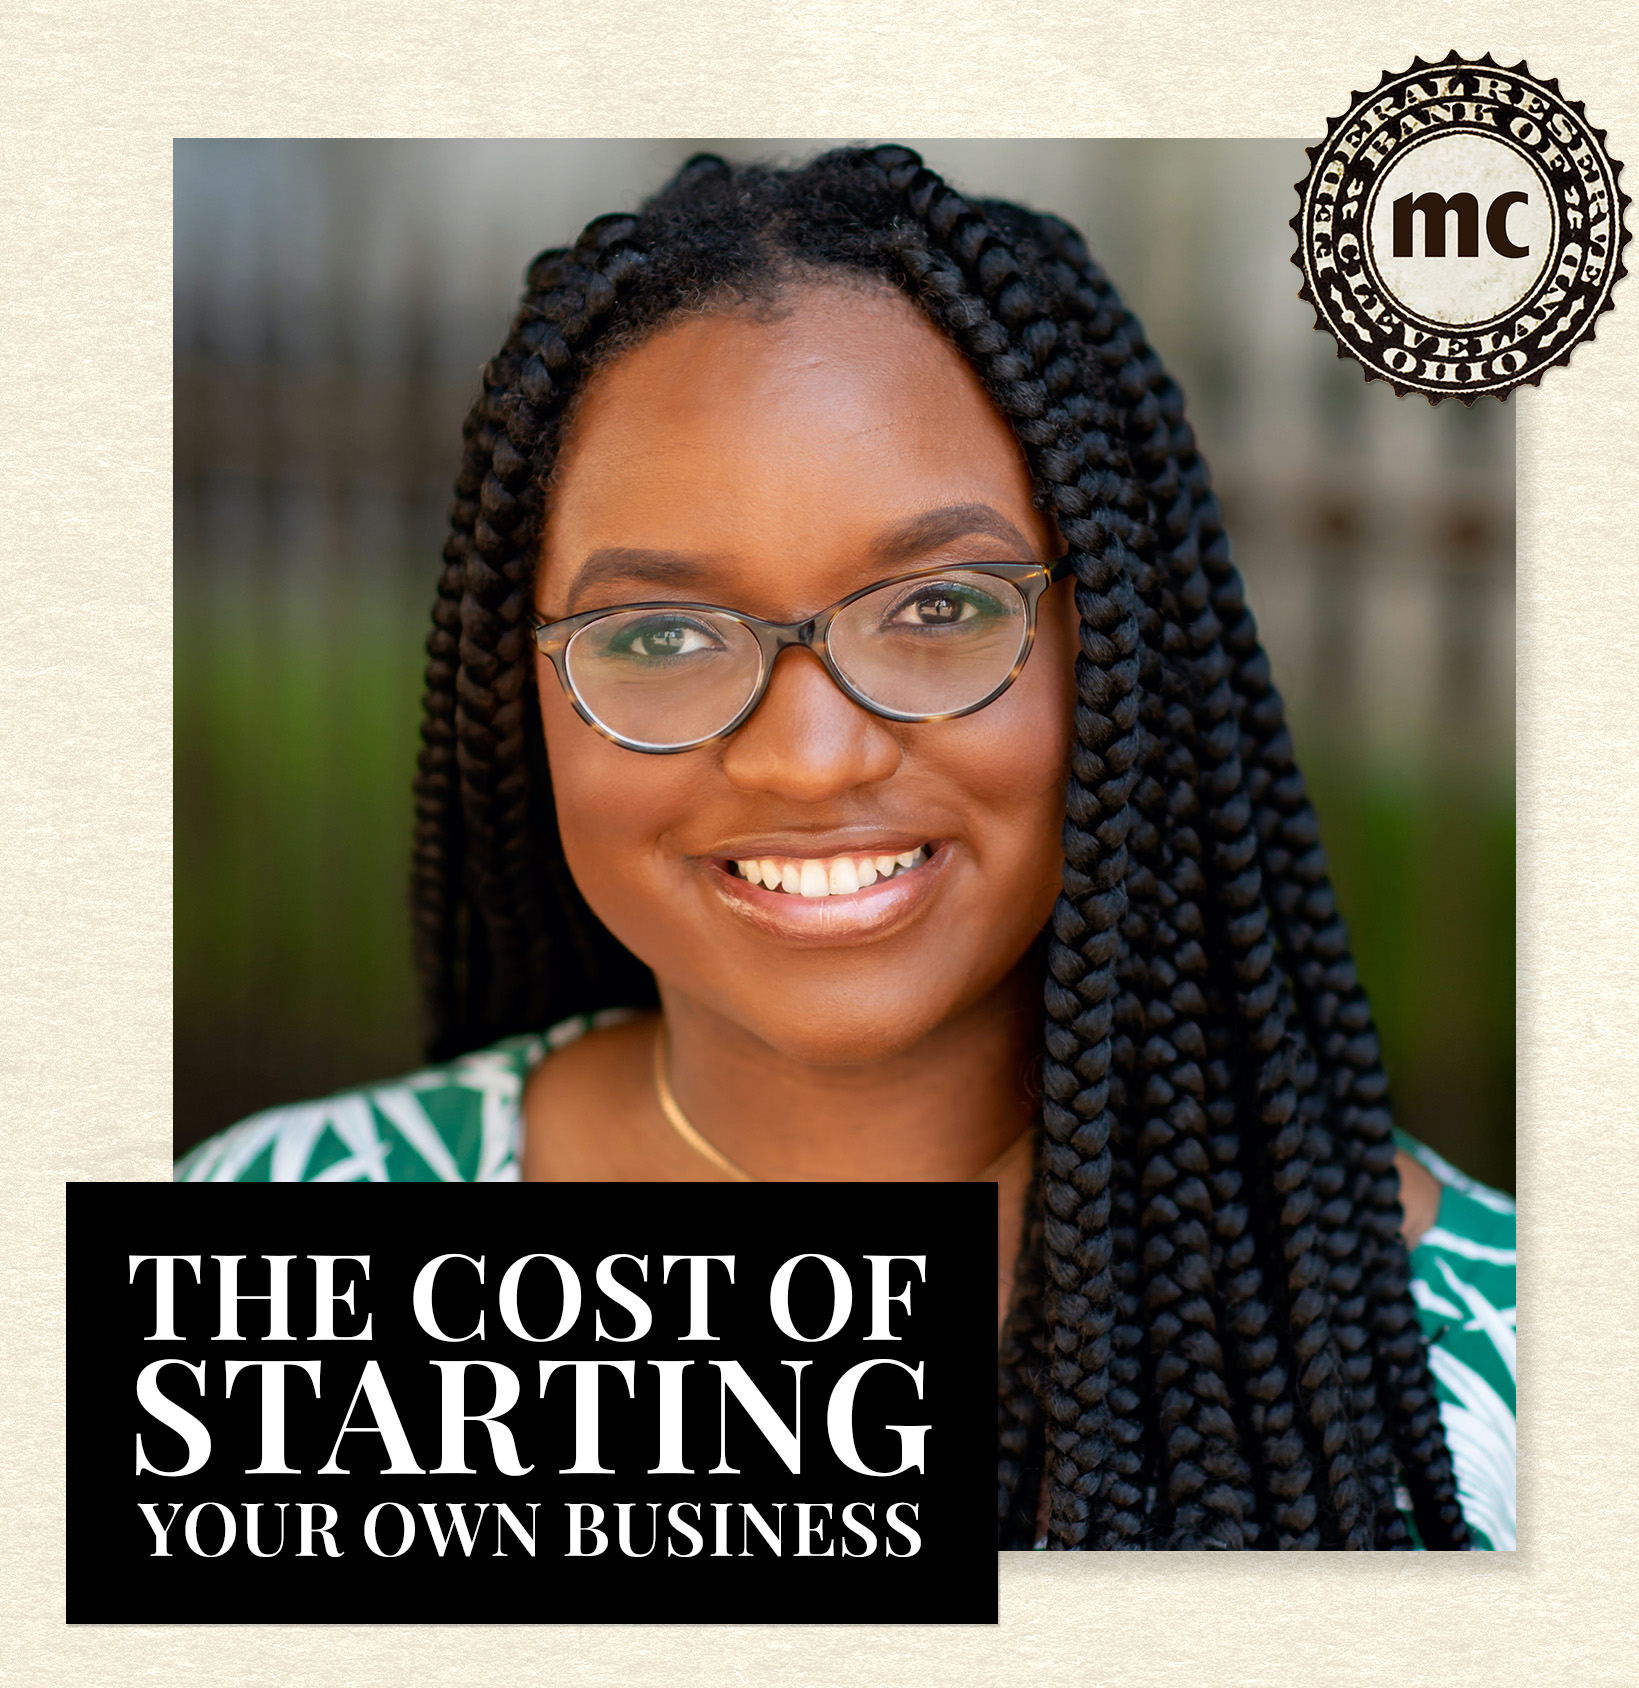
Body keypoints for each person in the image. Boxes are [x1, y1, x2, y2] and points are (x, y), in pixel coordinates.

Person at [176, 146, 1516, 1552]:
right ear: (519, 693)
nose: (810, 759)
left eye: (938, 611)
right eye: (660, 637)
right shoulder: (278, 1234)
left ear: (1114, 646)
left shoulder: (1499, 1364)